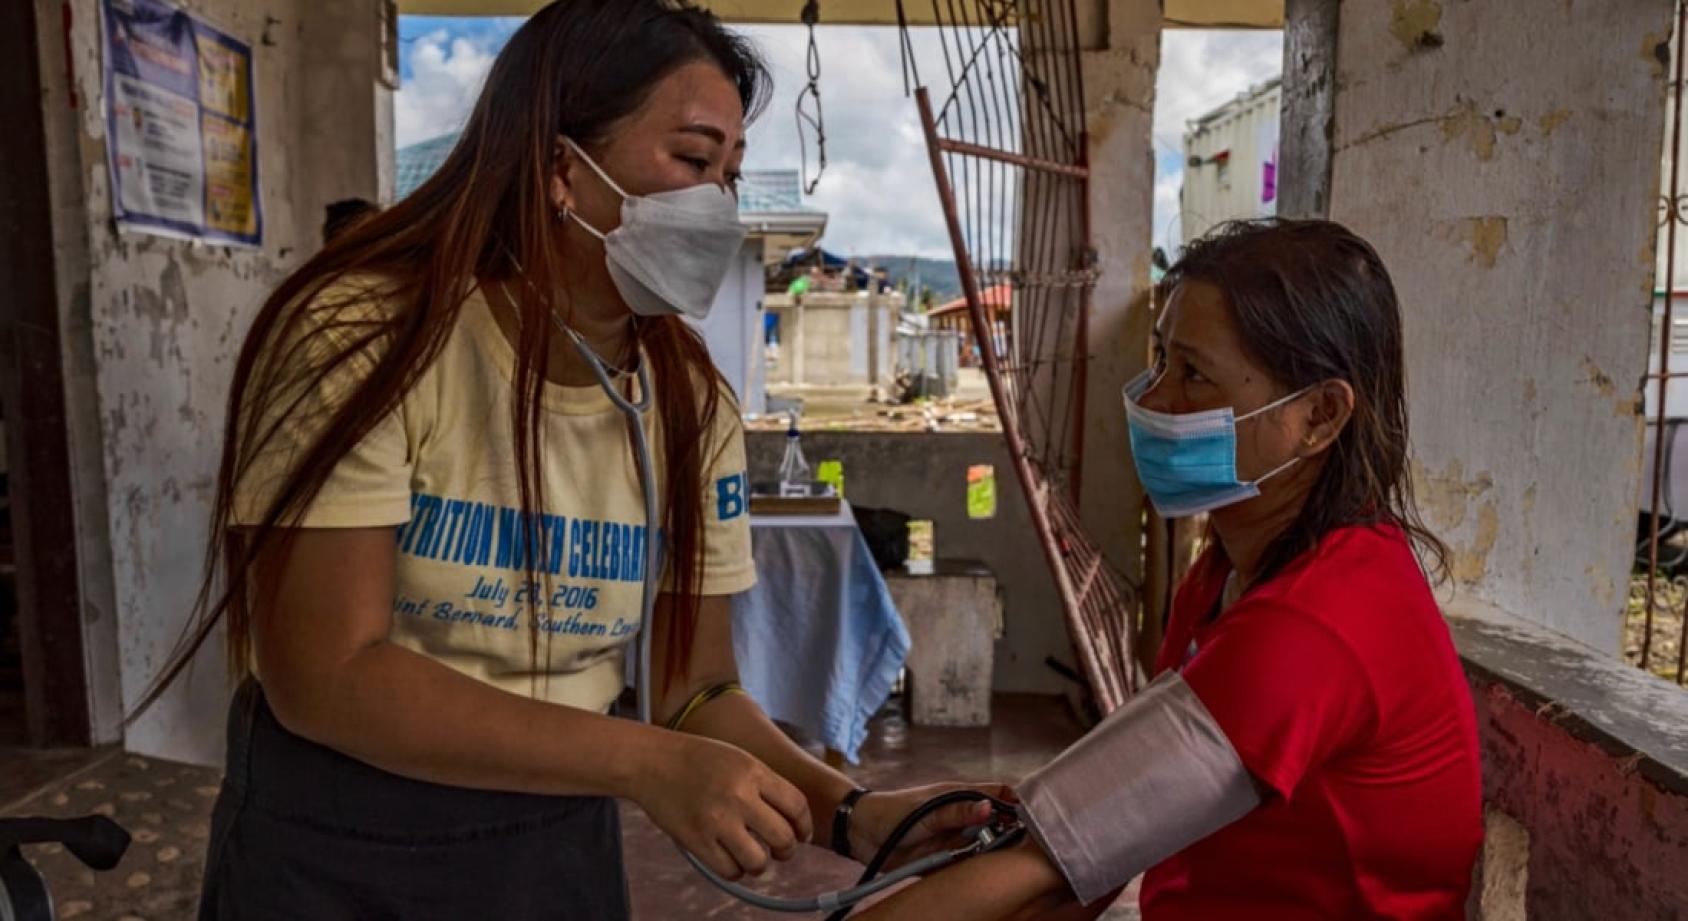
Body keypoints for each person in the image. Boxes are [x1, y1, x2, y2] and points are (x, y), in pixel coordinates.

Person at [136, 4, 993, 918]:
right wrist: (644, 763)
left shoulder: (688, 401)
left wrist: (853, 816)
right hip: (344, 844)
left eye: (730, 178)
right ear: (559, 169)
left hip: (551, 847)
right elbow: (326, 673)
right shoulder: (367, 338)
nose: (718, 208)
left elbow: (693, 689)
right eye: (693, 162)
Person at [855, 219, 1484, 920]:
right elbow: (1095, 843)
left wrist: (1053, 839)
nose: (1153, 401)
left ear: (1319, 415)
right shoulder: (1225, 571)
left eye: (1193, 375)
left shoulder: (1316, 625)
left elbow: (1046, 864)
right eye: (1160, 362)